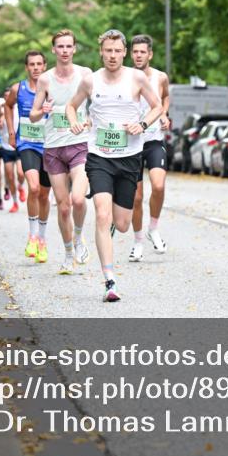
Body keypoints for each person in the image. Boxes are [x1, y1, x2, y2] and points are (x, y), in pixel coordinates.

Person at [66, 29, 162, 301]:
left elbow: (156, 107)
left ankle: (106, 230)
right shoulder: (90, 80)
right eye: (108, 50)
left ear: (124, 52)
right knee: (102, 213)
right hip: (99, 157)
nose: (112, 55)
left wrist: (142, 124)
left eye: (117, 51)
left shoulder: (137, 77)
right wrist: (74, 121)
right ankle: (109, 280)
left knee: (121, 224)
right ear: (101, 51)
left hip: (130, 157)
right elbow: (71, 107)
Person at [29, 33, 93, 273]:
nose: (65, 50)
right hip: (54, 147)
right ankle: (68, 254)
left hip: (80, 144)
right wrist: (42, 110)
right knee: (63, 206)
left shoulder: (85, 74)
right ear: (54, 50)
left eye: (69, 46)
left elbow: (96, 104)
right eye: (60, 47)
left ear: (74, 49)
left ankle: (78, 238)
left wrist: (88, 119)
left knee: (78, 199)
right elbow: (33, 114)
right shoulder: (45, 80)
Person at [6, 51, 54, 264]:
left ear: (44, 66)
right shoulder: (18, 89)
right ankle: (32, 235)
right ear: (27, 67)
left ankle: (42, 239)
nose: (35, 67)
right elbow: (7, 106)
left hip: (49, 146)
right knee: (33, 188)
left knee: (44, 194)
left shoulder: (54, 87)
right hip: (27, 144)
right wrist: (10, 132)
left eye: (39, 64)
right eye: (31, 64)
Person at [128, 34, 172, 261]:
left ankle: (153, 228)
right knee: (136, 198)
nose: (138, 55)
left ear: (150, 54)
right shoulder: (124, 78)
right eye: (135, 52)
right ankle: (137, 242)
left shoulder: (160, 77)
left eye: (142, 52)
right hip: (132, 144)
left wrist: (164, 114)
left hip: (153, 139)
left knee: (159, 184)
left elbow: (165, 98)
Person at [0, 92, 21, 213]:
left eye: (10, 95)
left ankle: (21, 187)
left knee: (21, 173)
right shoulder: (3, 112)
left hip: (19, 146)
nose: (8, 97)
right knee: (10, 176)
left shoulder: (20, 108)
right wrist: (0, 124)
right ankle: (15, 202)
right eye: (5, 96)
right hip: (6, 148)